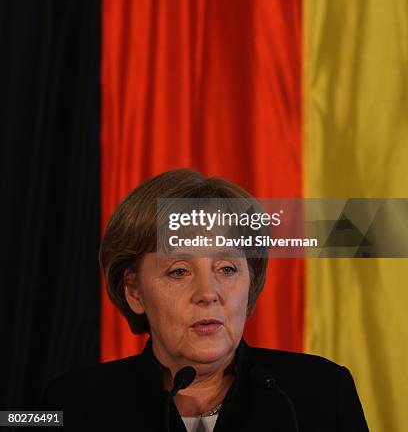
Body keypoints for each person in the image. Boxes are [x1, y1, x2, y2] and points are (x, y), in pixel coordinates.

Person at [42, 168, 369, 431]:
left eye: (227, 268)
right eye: (179, 271)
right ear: (134, 292)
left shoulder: (320, 393)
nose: (208, 294)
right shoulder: (73, 405)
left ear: (251, 281)